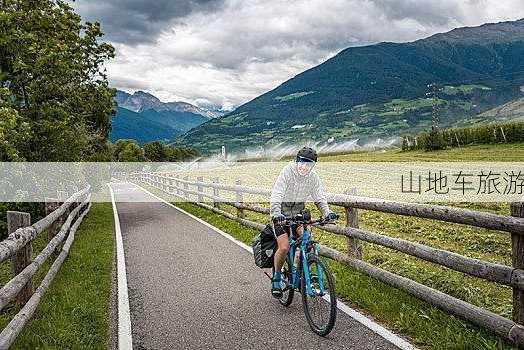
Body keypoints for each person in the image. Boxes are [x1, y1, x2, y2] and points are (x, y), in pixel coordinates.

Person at [269, 146, 338, 298]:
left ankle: (300, 269)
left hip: (299, 215)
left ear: (312, 165)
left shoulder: (313, 178)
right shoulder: (287, 172)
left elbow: (319, 198)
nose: (304, 166)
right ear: (296, 161)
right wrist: (276, 214)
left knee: (307, 242)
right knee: (285, 246)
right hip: (281, 216)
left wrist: (327, 213)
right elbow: (277, 194)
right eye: (302, 162)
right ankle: (277, 277)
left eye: (308, 164)